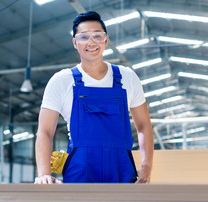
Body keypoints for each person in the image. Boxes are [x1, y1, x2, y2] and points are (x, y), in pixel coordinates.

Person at [35, 11, 154, 184]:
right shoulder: (61, 81)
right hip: (80, 171)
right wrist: (44, 173)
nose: (91, 42)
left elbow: (144, 126)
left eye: (97, 36)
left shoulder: (127, 77)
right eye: (84, 37)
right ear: (75, 42)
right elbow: (45, 131)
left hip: (121, 170)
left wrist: (147, 167)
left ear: (106, 40)